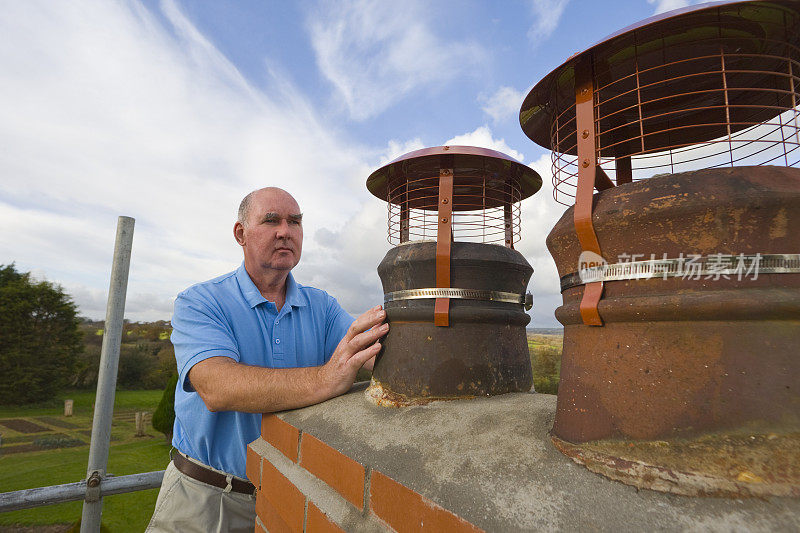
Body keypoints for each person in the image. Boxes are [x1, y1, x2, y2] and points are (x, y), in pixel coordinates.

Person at [146, 187, 387, 532]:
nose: (285, 231)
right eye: (271, 220)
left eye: (295, 222)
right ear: (241, 234)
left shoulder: (323, 306)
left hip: (292, 496)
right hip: (207, 499)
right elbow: (218, 388)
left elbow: (377, 359)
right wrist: (326, 378)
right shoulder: (200, 301)